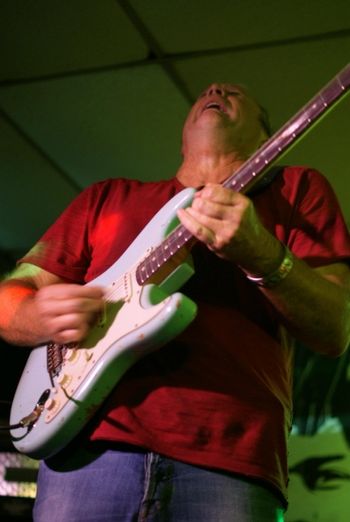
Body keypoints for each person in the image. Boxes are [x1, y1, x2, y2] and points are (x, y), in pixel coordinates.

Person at [0, 82, 350, 522]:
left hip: (232, 455)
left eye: (238, 93)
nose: (216, 88)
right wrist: (36, 314)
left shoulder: (299, 189)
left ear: (269, 138)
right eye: (206, 91)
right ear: (182, 139)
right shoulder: (107, 198)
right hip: (87, 446)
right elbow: (8, 300)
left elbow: (334, 327)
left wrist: (263, 252)